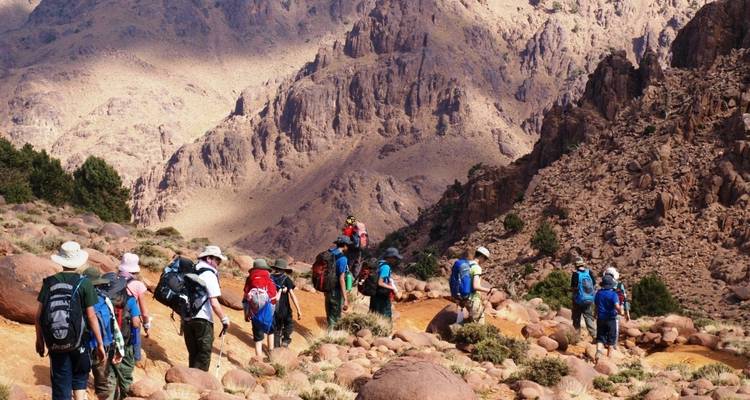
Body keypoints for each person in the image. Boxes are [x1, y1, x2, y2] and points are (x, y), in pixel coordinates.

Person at [36, 241, 107, 400]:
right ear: (78, 261)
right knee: (80, 379)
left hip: (56, 343)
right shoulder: (85, 283)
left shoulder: (49, 282)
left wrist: (39, 340)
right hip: (80, 342)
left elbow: (39, 315)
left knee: (61, 385)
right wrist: (100, 344)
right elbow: (91, 316)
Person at [90, 272, 141, 400]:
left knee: (109, 377)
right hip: (124, 345)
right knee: (125, 378)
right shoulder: (129, 300)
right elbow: (136, 323)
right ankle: (126, 397)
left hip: (107, 344)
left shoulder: (101, 299)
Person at [183, 245, 230, 371]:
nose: (218, 263)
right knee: (203, 355)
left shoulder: (192, 270)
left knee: (193, 354)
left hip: (186, 318)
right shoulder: (209, 274)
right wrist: (224, 319)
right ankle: (199, 385)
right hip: (203, 318)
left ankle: (190, 383)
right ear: (209, 258)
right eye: (217, 260)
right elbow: (214, 302)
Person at [117, 253, 150, 362]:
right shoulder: (138, 284)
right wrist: (146, 325)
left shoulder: (114, 279)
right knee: (135, 336)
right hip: (130, 318)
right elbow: (144, 313)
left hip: (114, 317)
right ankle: (135, 359)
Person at [243, 258, 279, 358]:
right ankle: (271, 354)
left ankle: (258, 360)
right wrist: (272, 308)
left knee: (258, 337)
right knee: (270, 331)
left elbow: (246, 296)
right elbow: (272, 295)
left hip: (254, 310)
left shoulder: (250, 278)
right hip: (267, 309)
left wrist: (247, 313)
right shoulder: (268, 277)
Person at [271, 259, 302, 348]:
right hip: (284, 309)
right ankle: (285, 341)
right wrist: (298, 310)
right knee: (289, 325)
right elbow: (292, 295)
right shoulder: (286, 279)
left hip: (273, 308)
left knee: (276, 329)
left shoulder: (270, 278)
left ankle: (276, 349)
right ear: (284, 269)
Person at [594, 274, 623, 359]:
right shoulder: (614, 294)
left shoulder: (598, 293)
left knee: (600, 337)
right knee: (611, 339)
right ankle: (609, 358)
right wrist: (621, 311)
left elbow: (596, 306)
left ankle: (598, 352)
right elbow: (617, 306)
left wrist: (595, 315)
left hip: (601, 318)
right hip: (611, 319)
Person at [326, 236, 351, 331]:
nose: (348, 247)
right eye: (347, 245)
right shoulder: (343, 258)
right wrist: (345, 299)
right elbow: (341, 279)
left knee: (329, 314)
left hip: (327, 288)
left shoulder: (329, 253)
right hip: (335, 290)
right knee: (336, 317)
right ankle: (332, 338)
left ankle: (330, 335)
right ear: (344, 245)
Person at [369, 247, 401, 319]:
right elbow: (380, 283)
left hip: (374, 294)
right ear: (390, 257)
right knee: (385, 317)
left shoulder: (379, 263)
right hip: (382, 296)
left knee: (374, 316)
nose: (396, 260)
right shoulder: (386, 267)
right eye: (395, 258)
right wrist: (392, 288)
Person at [464, 246, 493, 324]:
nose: (485, 261)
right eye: (485, 258)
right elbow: (476, 286)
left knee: (470, 322)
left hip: (465, 299)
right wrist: (490, 290)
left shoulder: (467, 264)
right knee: (479, 327)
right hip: (473, 300)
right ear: (481, 256)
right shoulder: (477, 268)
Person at [570, 257, 597, 339]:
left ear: (576, 265)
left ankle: (576, 337)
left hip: (578, 300)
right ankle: (594, 335)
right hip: (589, 299)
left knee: (576, 318)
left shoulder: (576, 274)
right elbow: (594, 284)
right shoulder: (589, 273)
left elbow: (573, 287)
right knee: (588, 317)